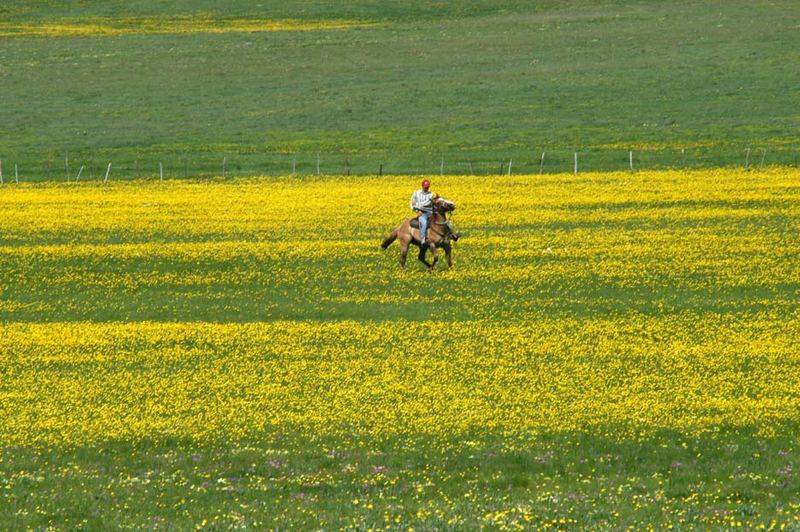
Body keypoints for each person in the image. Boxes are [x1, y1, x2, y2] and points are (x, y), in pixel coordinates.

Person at [410, 179, 434, 245]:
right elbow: (411, 204)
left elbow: (427, 203)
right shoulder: (416, 193)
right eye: (426, 187)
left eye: (428, 187)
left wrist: (417, 204)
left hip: (430, 212)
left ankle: (452, 234)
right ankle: (423, 239)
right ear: (422, 186)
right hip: (422, 213)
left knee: (443, 220)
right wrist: (417, 210)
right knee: (424, 223)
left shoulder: (431, 194)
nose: (427, 188)